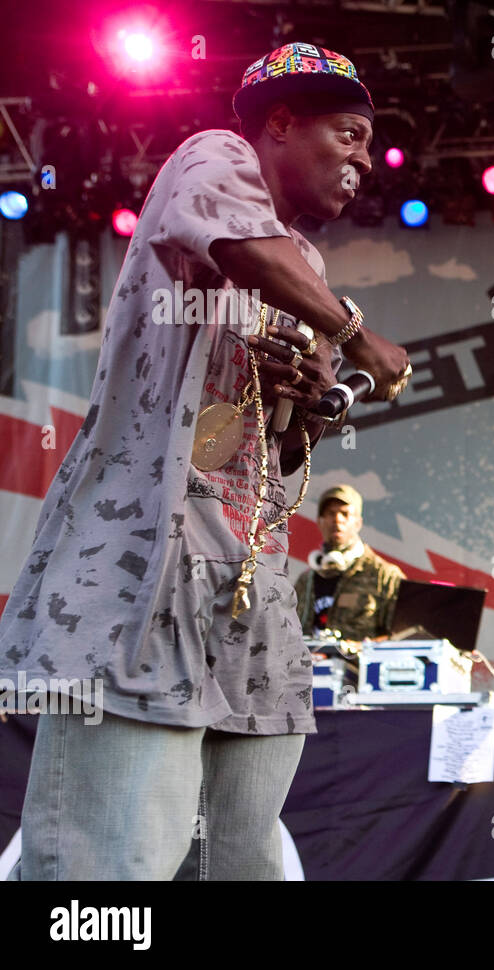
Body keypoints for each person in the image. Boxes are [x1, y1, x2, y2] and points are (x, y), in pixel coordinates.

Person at [0, 42, 411, 880]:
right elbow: (246, 253)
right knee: (105, 863)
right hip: (141, 573)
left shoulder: (307, 270)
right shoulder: (211, 157)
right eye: (350, 133)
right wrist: (354, 333)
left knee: (241, 860)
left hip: (242, 588)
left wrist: (303, 410)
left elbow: (235, 446)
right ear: (283, 123)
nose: (365, 160)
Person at [295, 484, 405, 640]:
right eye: (330, 513)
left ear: (358, 523)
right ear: (320, 522)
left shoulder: (385, 575)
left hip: (357, 664)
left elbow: (401, 635)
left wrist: (357, 649)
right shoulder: (305, 582)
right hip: (308, 663)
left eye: (345, 514)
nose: (337, 519)